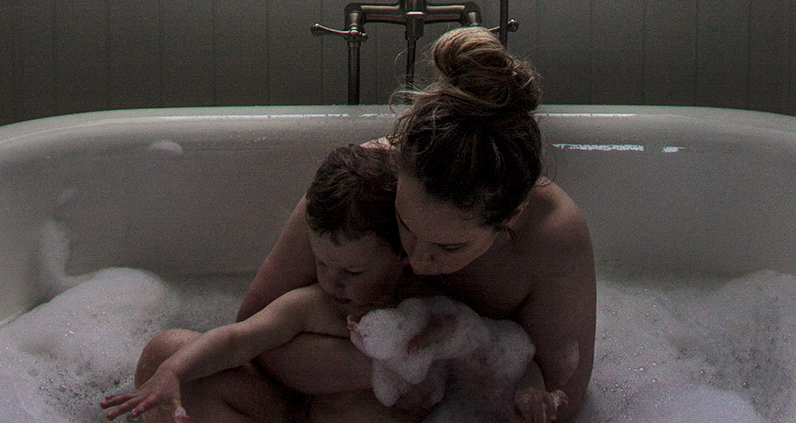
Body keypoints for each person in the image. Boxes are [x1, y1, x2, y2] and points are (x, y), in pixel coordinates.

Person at [241, 30, 595, 423]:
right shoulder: (364, 184)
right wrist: (387, 374)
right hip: (325, 402)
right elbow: (249, 336)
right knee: (165, 349)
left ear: (511, 217)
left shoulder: (552, 237)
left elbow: (562, 402)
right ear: (397, 165)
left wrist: (527, 403)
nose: (419, 260)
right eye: (405, 226)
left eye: (448, 248)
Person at [101, 144, 408, 423]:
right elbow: (236, 340)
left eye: (353, 272)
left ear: (405, 254)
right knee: (164, 355)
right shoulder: (312, 306)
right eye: (321, 263)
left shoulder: (425, 310)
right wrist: (172, 371)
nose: (332, 281)